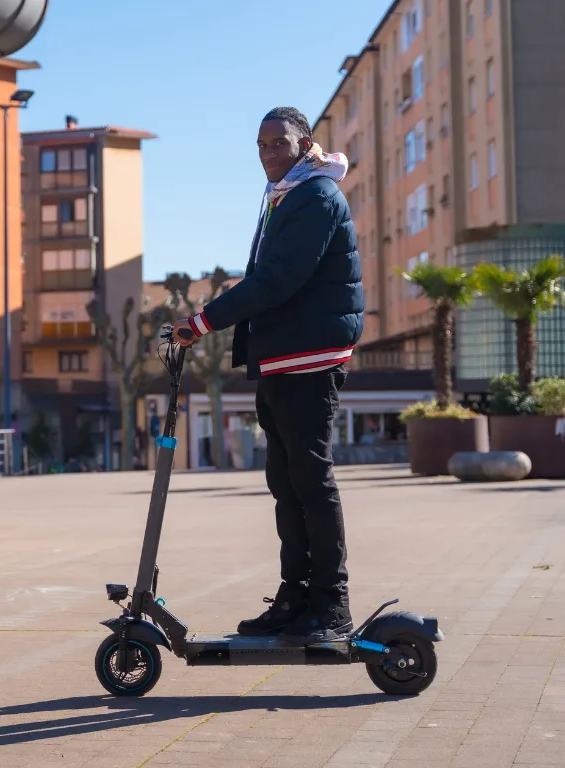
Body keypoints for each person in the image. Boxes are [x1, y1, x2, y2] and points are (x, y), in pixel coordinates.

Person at [173, 107, 364, 644]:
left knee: (310, 479)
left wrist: (202, 321)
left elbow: (276, 280)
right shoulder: (287, 194)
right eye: (260, 145)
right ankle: (295, 596)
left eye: (278, 143)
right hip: (283, 354)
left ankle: (331, 605)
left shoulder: (316, 197)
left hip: (310, 356)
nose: (268, 153)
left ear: (306, 145)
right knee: (286, 482)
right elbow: (267, 278)